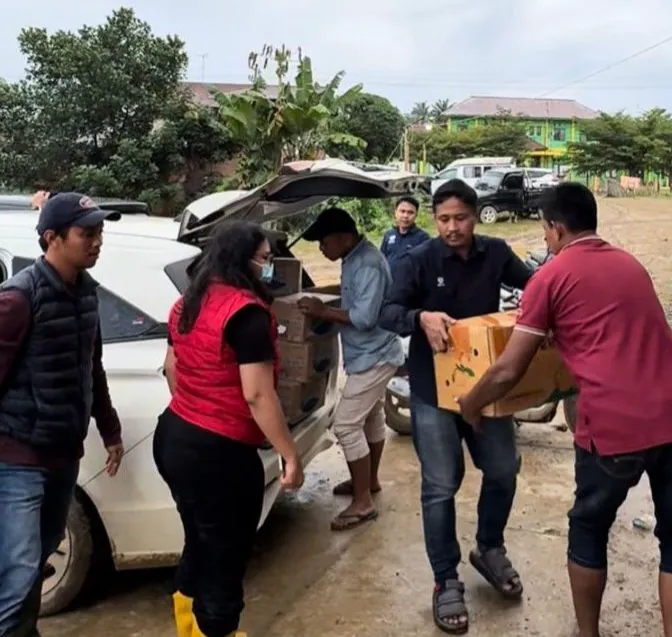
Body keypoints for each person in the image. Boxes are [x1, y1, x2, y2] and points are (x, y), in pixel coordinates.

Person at [457, 182, 672, 637]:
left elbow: (507, 370)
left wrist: (470, 403)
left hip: (616, 424)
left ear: (554, 229)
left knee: (588, 527)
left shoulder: (549, 277)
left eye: (544, 231)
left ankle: (588, 633)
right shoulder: (629, 263)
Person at [379, 179, 532, 634]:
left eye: (460, 218)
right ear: (434, 219)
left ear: (475, 214)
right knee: (440, 486)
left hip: (485, 390)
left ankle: (489, 548)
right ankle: (445, 579)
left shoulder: (497, 252)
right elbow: (387, 310)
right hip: (433, 393)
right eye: (443, 219)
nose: (452, 227)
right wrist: (418, 318)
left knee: (504, 468)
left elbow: (535, 287)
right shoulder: (418, 260)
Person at [154, 221, 304, 637]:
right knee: (226, 556)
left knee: (199, 539)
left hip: (174, 436)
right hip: (220, 454)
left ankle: (188, 627)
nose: (268, 266)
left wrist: (196, 409)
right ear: (244, 259)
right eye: (265, 258)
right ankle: (216, 630)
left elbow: (172, 368)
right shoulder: (247, 315)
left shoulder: (187, 303)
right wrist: (290, 454)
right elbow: (258, 397)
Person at [0, 192, 125, 636]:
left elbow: (92, 368)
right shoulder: (17, 299)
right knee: (16, 575)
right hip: (17, 459)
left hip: (62, 456)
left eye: (99, 234)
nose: (96, 243)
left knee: (38, 563)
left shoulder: (87, 295)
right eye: (86, 234)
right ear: (51, 238)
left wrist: (109, 428)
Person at [299, 207, 404, 531]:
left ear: (345, 237)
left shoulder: (368, 264)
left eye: (324, 243)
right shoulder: (354, 258)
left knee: (345, 425)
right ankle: (367, 482)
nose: (321, 249)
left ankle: (363, 503)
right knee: (371, 417)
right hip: (367, 354)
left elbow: (364, 317)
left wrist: (322, 311)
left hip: (376, 354)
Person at [380, 196, 430, 269]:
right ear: (395, 213)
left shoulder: (423, 238)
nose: (405, 216)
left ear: (416, 215)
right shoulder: (389, 235)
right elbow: (382, 259)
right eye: (402, 211)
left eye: (410, 212)